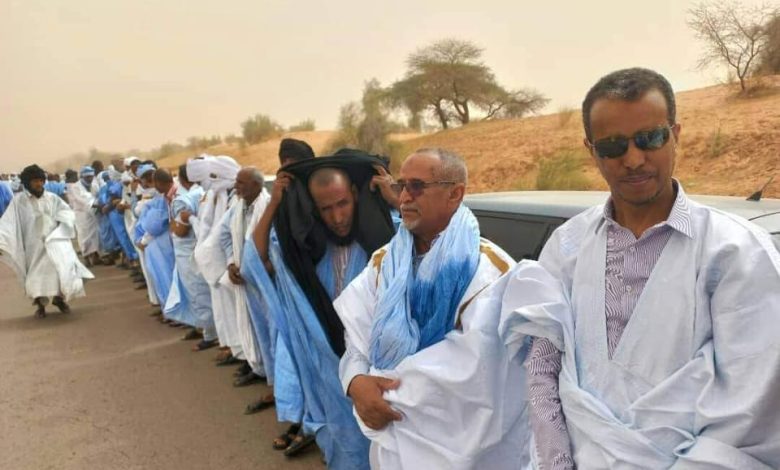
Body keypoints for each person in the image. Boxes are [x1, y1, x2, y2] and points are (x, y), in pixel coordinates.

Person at [505, 67, 780, 469]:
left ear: (676, 134)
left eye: (650, 139)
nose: (634, 159)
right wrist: (556, 462)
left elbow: (750, 402)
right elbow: (543, 366)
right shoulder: (568, 245)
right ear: (591, 150)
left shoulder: (735, 250)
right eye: (613, 146)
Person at [334, 148, 536, 469]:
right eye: (401, 186)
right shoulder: (384, 263)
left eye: (417, 186)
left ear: (455, 194)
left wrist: (385, 387)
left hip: (467, 449)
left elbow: (479, 370)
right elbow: (357, 339)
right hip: (395, 444)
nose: (404, 197)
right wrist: (355, 380)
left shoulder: (488, 272)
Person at [250, 149, 397, 468]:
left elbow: (435, 244)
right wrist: (274, 203)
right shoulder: (308, 256)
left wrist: (396, 199)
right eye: (326, 208)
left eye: (342, 203)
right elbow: (256, 257)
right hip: (331, 373)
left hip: (379, 370)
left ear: (356, 195)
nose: (337, 217)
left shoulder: (386, 242)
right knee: (345, 445)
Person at [0, 164, 94, 317]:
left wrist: (61, 223)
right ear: (27, 183)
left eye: (40, 180)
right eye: (34, 181)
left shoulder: (52, 198)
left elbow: (66, 212)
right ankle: (40, 306)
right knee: (35, 277)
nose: (38, 184)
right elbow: (8, 222)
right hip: (32, 246)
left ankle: (59, 299)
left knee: (60, 271)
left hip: (54, 242)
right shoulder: (19, 202)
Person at [217, 167, 274, 395]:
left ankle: (272, 376)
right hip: (243, 278)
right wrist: (231, 263)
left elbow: (272, 246)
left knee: (270, 330)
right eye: (236, 182)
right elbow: (224, 235)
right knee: (251, 325)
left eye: (241, 183)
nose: (236, 187)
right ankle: (258, 367)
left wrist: (259, 270)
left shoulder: (268, 208)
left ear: (257, 186)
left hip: (265, 281)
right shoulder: (237, 207)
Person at [190, 155, 243, 361]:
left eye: (215, 176)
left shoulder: (238, 197)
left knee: (238, 313)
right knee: (225, 312)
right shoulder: (217, 195)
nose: (212, 181)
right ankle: (234, 349)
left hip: (232, 264)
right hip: (219, 263)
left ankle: (242, 353)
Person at [165, 163, 219, 346]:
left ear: (181, 179)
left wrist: (175, 222)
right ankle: (207, 329)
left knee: (197, 293)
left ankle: (210, 334)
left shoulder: (184, 199)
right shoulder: (205, 194)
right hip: (205, 251)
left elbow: (178, 230)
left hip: (189, 254)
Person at [134, 168, 178, 320]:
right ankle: (168, 310)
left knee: (167, 277)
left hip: (161, 244)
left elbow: (155, 223)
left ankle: (174, 313)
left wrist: (144, 239)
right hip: (155, 245)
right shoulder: (160, 198)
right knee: (160, 278)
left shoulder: (164, 199)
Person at [67, 166, 101, 267]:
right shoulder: (75, 187)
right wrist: (94, 204)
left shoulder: (95, 185)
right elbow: (80, 199)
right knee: (84, 235)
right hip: (81, 214)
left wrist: (98, 204)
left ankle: (95, 256)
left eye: (91, 177)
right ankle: (86, 257)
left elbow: (98, 196)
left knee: (95, 236)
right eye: (87, 177)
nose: (89, 179)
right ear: (82, 177)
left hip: (93, 213)